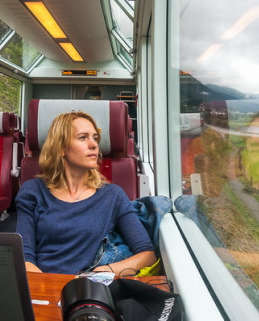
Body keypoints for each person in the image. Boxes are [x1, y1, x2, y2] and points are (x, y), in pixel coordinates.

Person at [16, 111, 156, 275]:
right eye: (83, 137)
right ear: (61, 148)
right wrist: (47, 286)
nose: (94, 145)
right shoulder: (33, 191)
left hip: (89, 284)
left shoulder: (113, 195)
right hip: (43, 282)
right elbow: (24, 257)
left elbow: (147, 255)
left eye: (95, 138)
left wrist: (103, 271)